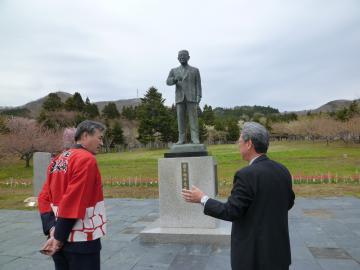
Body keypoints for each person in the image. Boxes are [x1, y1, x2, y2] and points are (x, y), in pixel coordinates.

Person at [182, 122, 295, 270]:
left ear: (249, 144)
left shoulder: (246, 175)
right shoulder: (282, 170)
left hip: (254, 256)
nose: (238, 145)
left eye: (240, 141)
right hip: (279, 253)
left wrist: (203, 198)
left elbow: (231, 211)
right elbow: (289, 202)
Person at [38, 120, 107, 270]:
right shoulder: (86, 159)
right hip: (82, 241)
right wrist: (58, 238)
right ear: (85, 135)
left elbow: (44, 197)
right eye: (100, 137)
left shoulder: (57, 160)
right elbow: (74, 200)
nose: (102, 143)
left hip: (57, 239)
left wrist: (52, 229)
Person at [166, 50, 202, 144]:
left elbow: (198, 84)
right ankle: (181, 139)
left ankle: (195, 138)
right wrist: (174, 79)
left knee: (193, 119)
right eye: (180, 56)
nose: (182, 57)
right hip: (179, 98)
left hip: (192, 97)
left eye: (184, 55)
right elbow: (168, 82)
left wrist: (199, 95)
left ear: (188, 57)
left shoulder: (195, 70)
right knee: (180, 120)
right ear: (178, 58)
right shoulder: (174, 71)